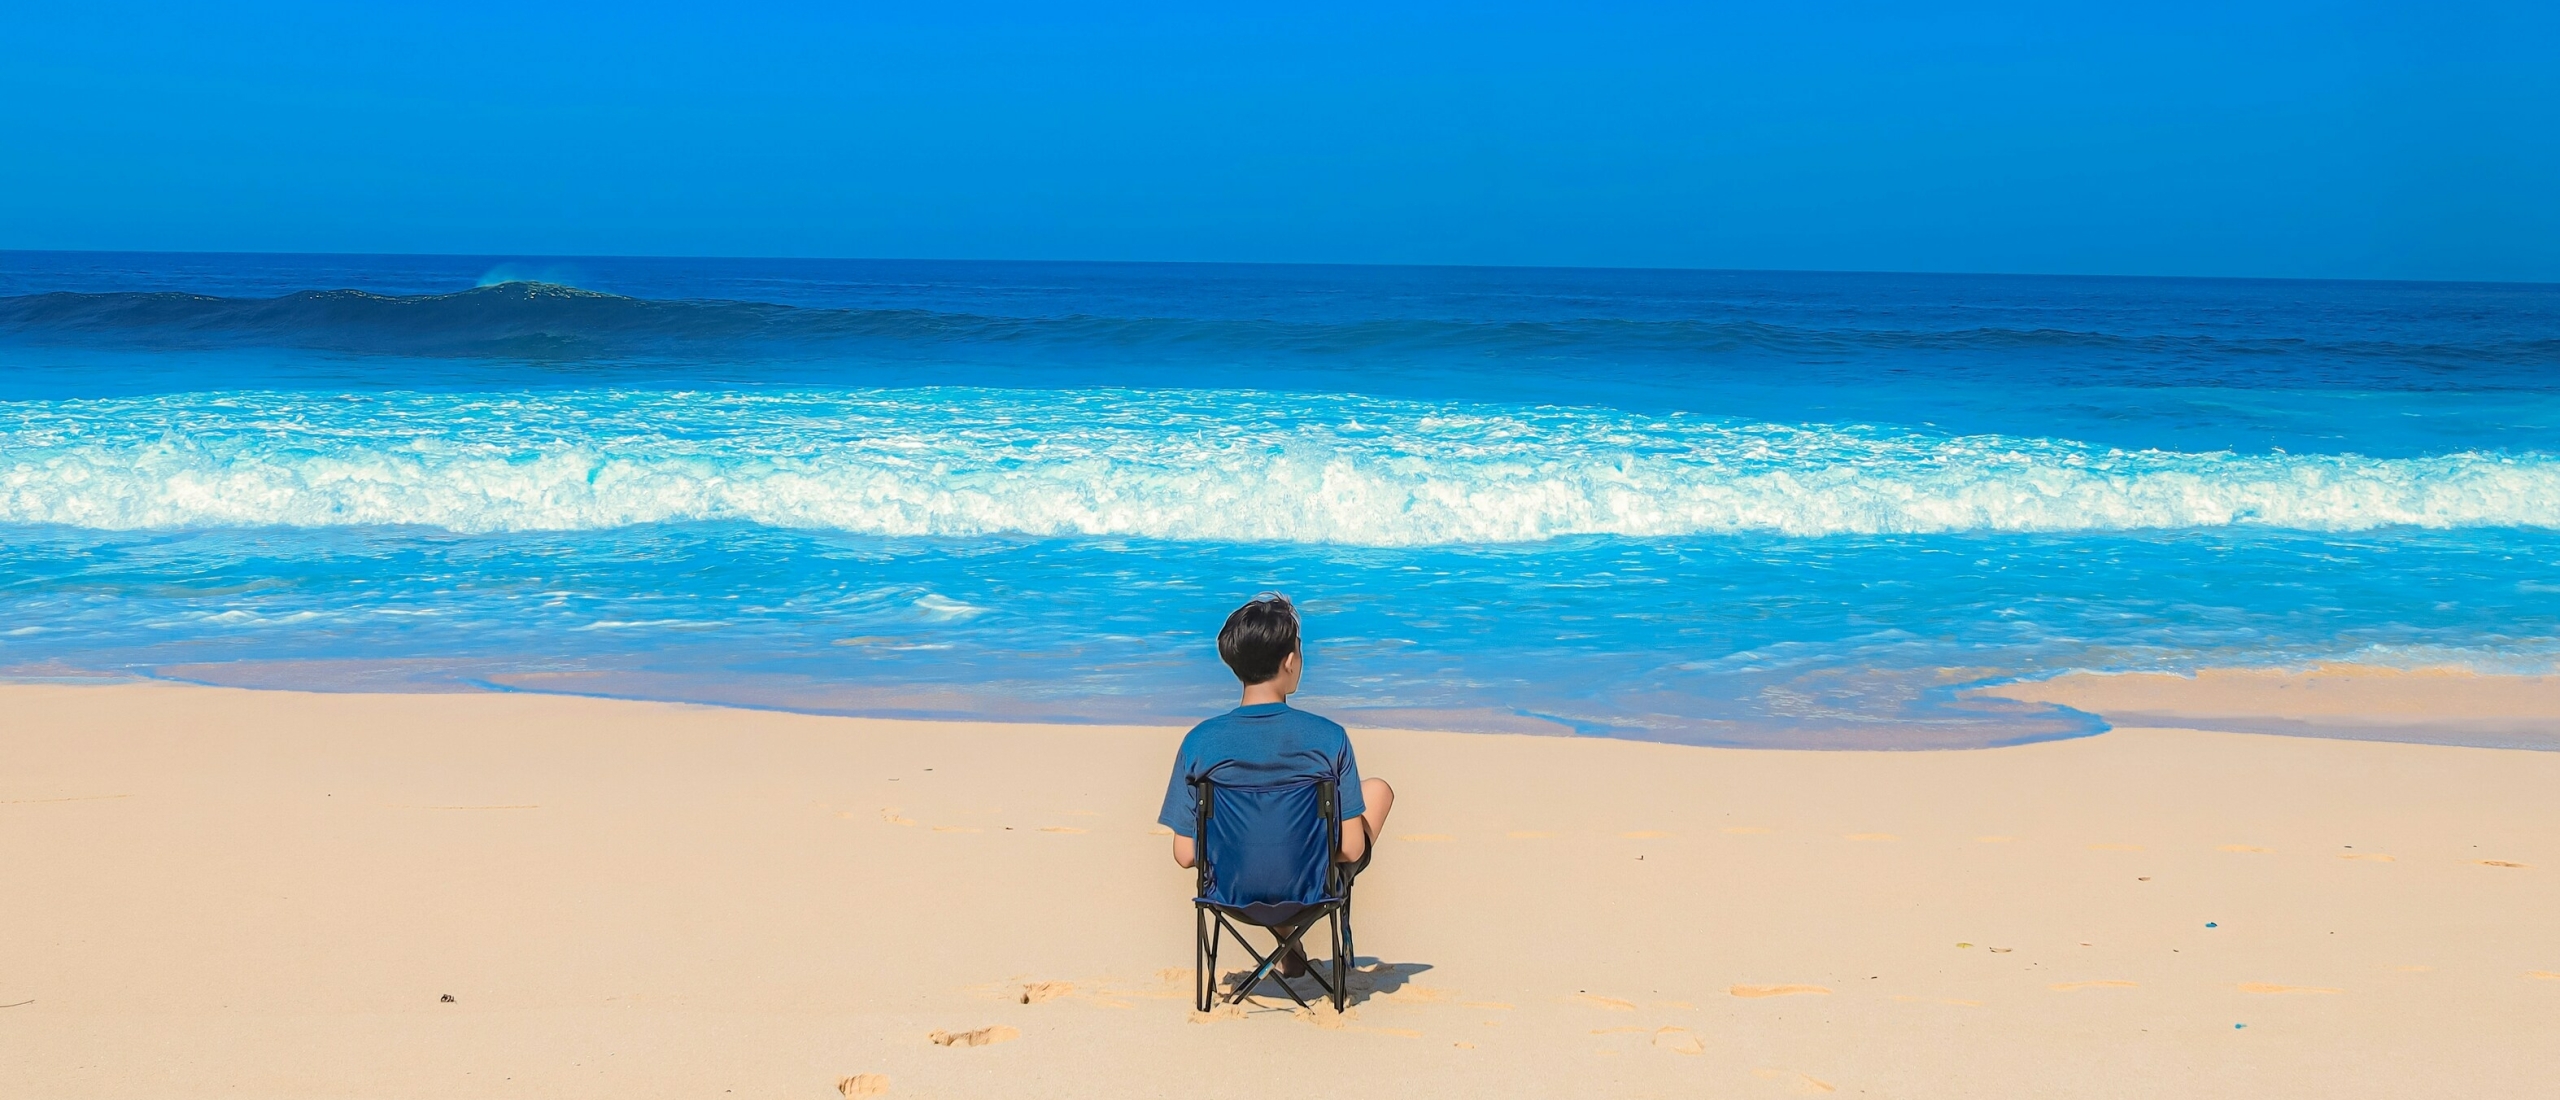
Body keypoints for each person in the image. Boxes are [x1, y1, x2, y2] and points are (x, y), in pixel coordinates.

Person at [1159, 593, 1394, 977]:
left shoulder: (1199, 742)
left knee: (1264, 843)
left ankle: (1288, 941)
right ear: (1289, 661)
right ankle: (1295, 930)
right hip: (1308, 891)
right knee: (1377, 792)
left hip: (1231, 892)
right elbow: (1350, 848)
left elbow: (1186, 853)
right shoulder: (1328, 737)